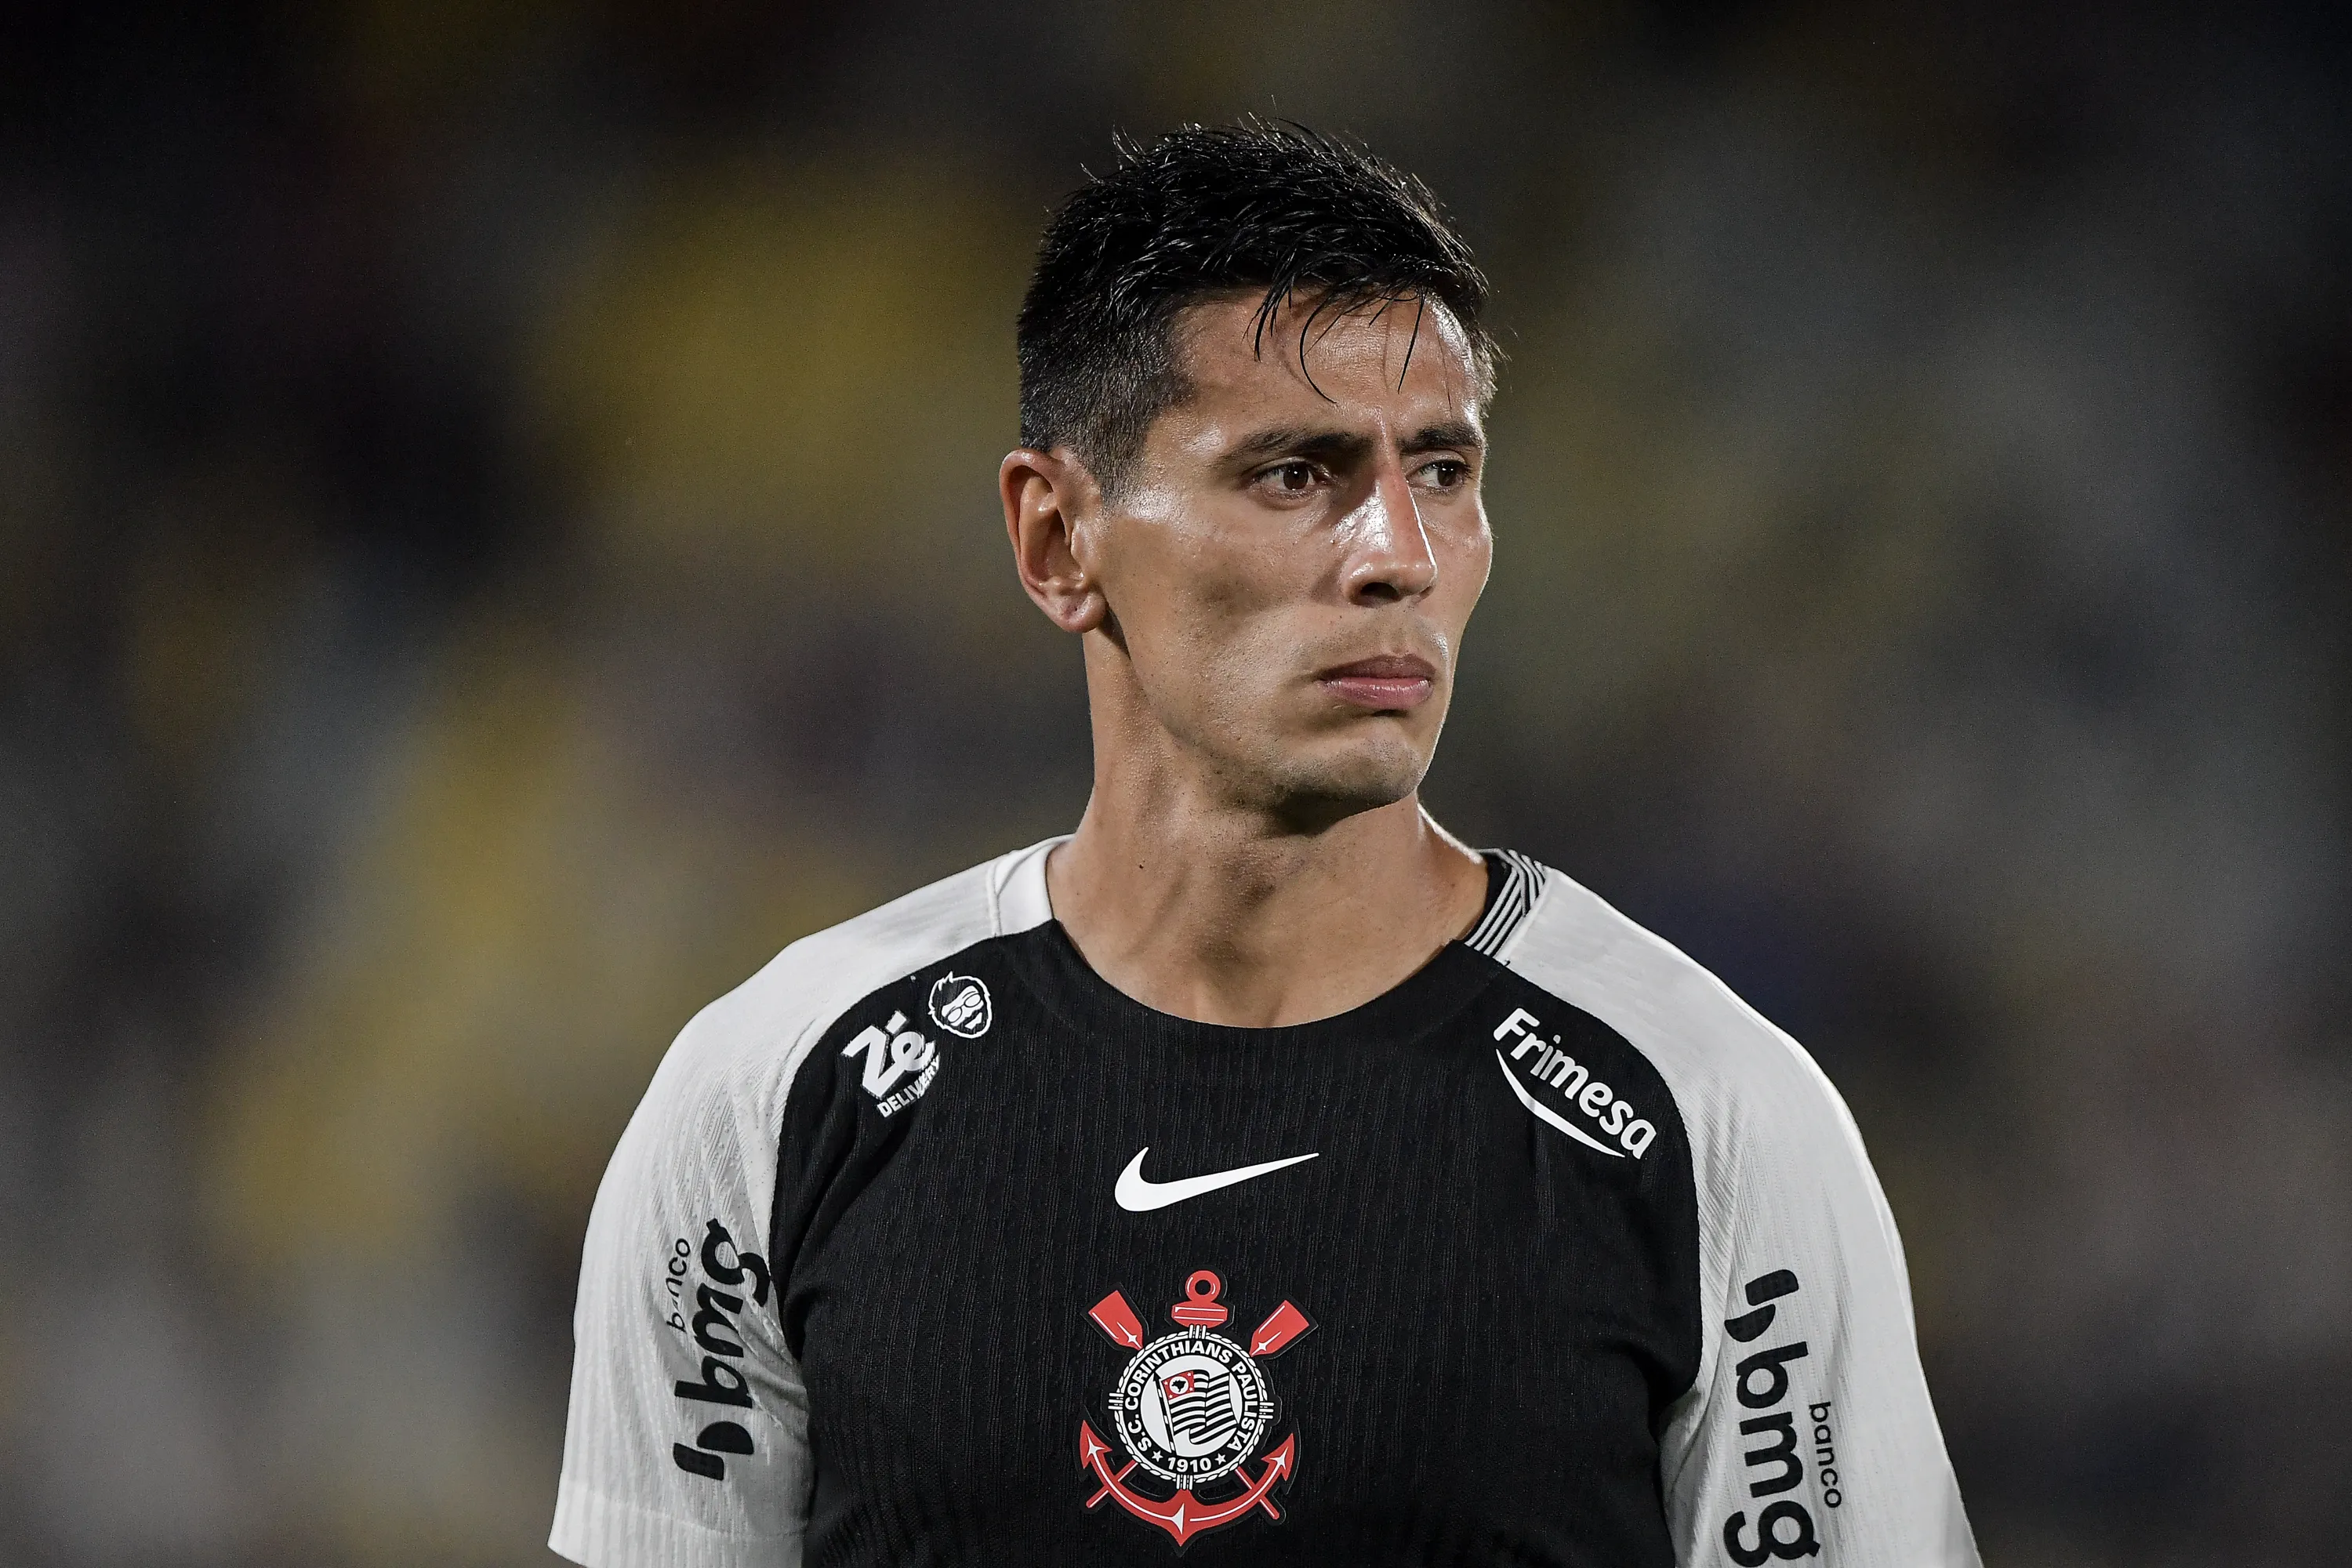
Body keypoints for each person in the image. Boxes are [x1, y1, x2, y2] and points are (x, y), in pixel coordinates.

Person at [550, 118, 1979, 1567]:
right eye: (1295, 474)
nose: (1398, 555)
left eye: (1439, 470)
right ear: (1058, 541)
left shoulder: (1714, 1121)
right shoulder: (775, 1101)